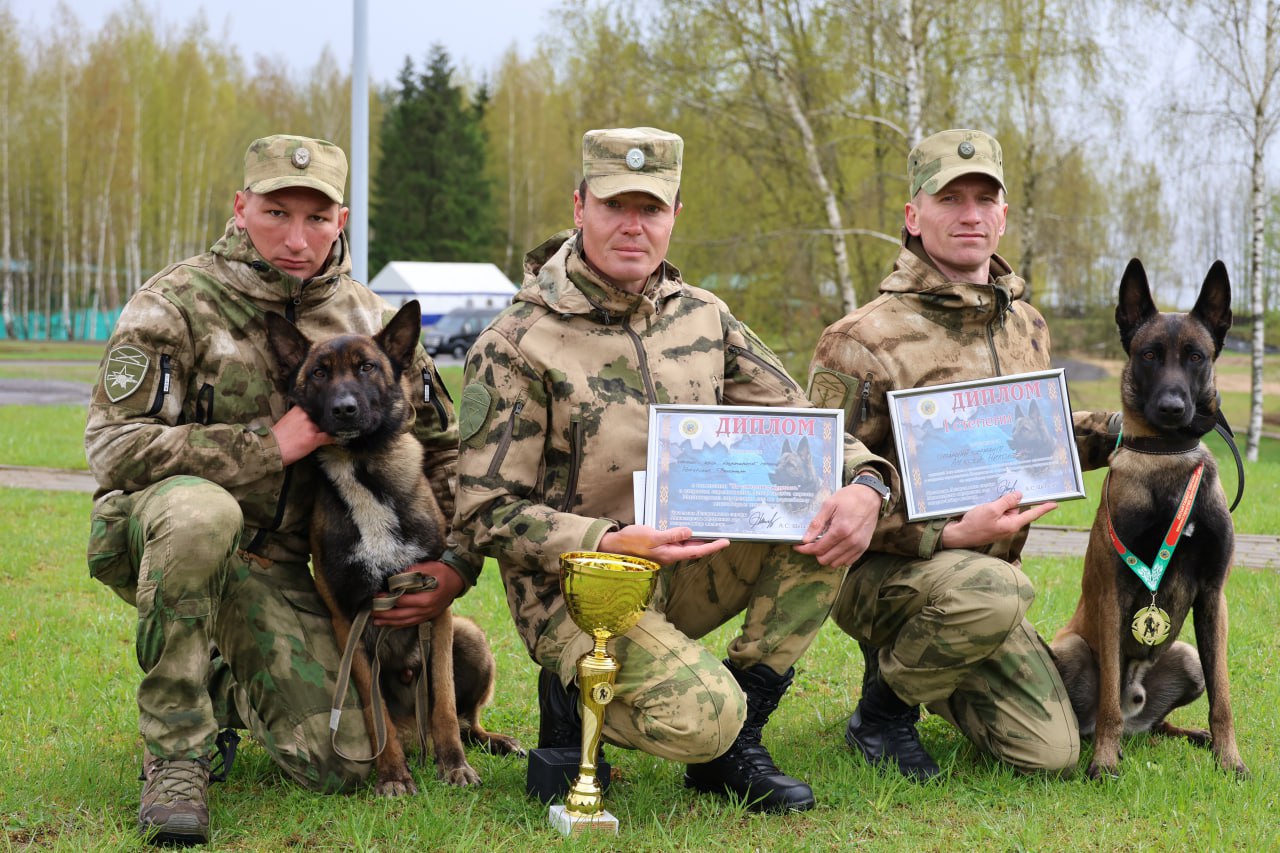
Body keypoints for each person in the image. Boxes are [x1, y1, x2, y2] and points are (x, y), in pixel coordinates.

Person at [451, 126, 899, 814]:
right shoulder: (518, 341)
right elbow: (483, 509)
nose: (634, 226)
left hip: (687, 562)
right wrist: (605, 540)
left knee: (824, 512)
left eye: (651, 209)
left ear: (674, 216)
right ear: (579, 207)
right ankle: (588, 689)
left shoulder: (706, 319)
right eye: (614, 206)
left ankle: (737, 741)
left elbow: (804, 423)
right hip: (579, 590)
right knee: (701, 717)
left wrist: (867, 483)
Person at [84, 135, 474, 845]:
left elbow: (445, 448)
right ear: (241, 208)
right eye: (275, 212)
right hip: (186, 543)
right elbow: (113, 447)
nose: (297, 237)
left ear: (341, 220)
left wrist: (455, 562)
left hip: (296, 569)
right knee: (203, 512)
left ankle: (231, 681)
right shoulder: (174, 303)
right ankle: (176, 754)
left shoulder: (368, 318)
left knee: (346, 761)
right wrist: (268, 446)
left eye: (316, 218)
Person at [806, 128, 1118, 781]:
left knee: (1050, 753)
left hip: (977, 589)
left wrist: (1131, 432)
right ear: (914, 216)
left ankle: (936, 662)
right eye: (950, 197)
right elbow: (816, 488)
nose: (970, 213)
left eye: (985, 198)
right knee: (998, 587)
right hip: (877, 579)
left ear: (1004, 215)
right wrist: (945, 532)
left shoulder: (1024, 324)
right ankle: (883, 711)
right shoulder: (860, 338)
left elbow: (1039, 433)